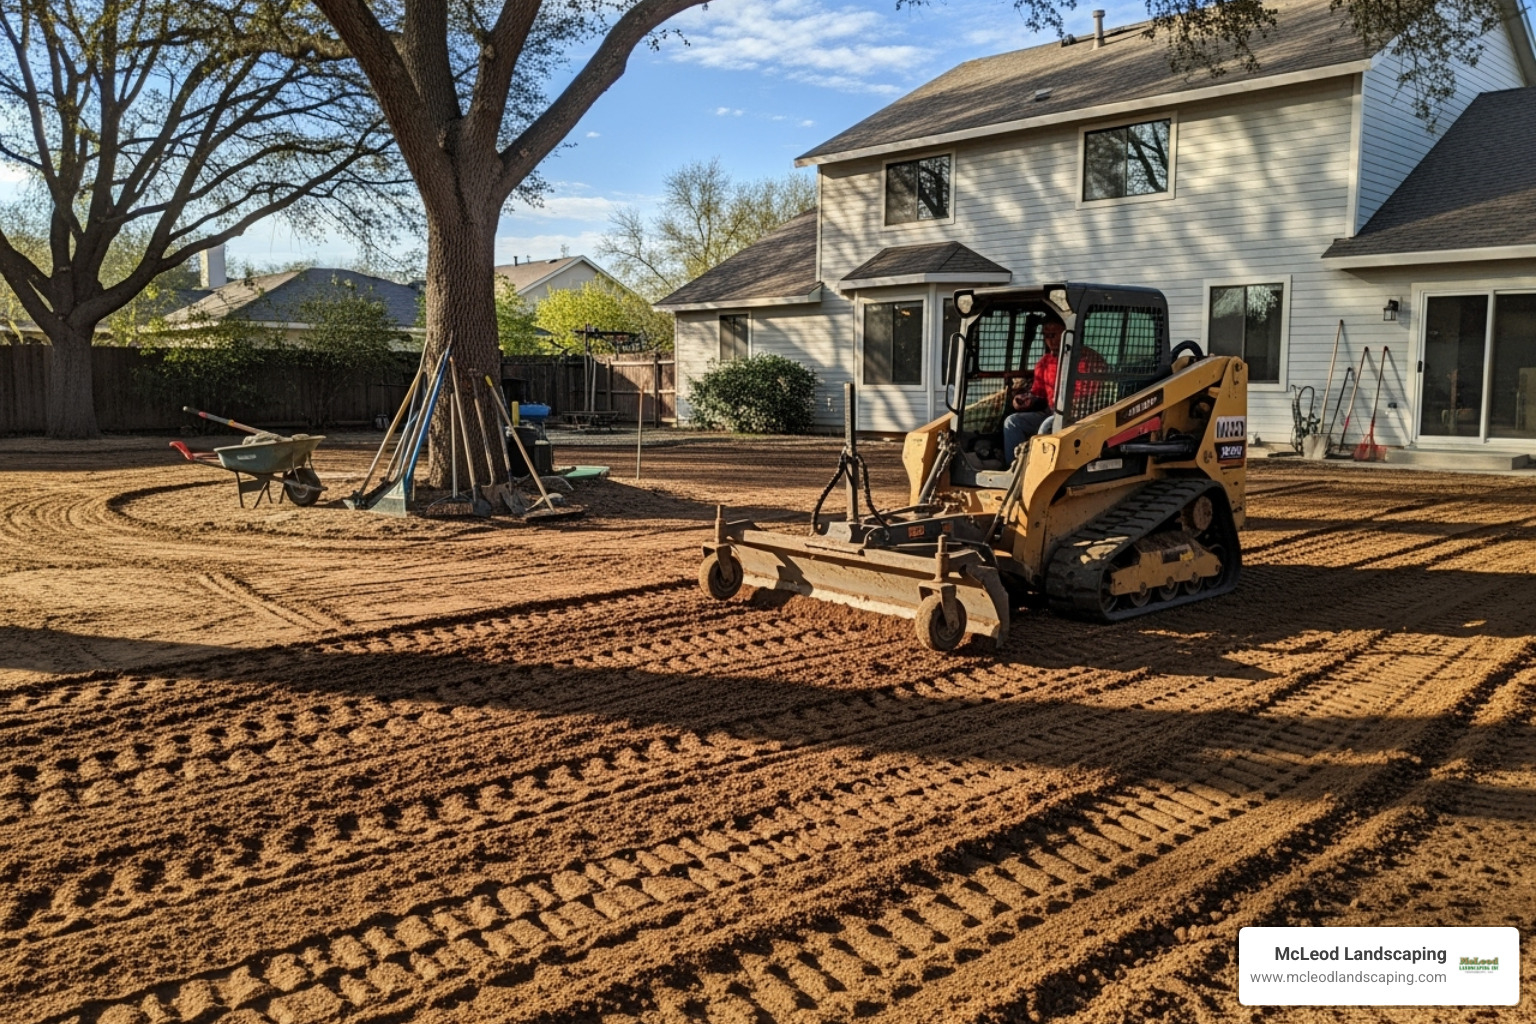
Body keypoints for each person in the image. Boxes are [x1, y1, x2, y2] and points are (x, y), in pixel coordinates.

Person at [1002, 317, 1106, 461]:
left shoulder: (1088, 360)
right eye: (1046, 336)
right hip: (1051, 413)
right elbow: (1039, 393)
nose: (1049, 340)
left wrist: (1067, 408)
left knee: (1050, 425)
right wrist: (1027, 400)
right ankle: (1016, 466)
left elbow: (1092, 394)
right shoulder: (1044, 363)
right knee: (1013, 422)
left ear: (1068, 334)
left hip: (1079, 416)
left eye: (1053, 335)